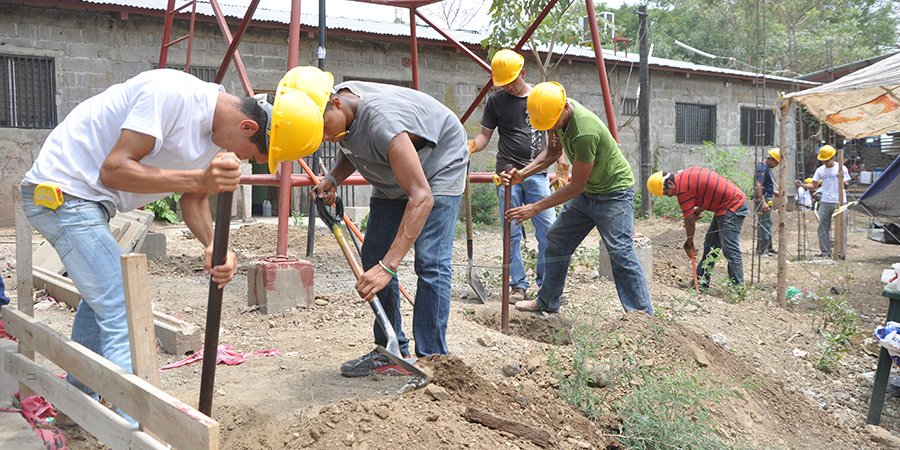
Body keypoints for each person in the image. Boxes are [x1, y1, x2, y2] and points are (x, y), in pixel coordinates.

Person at [20, 67, 323, 419]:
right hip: (63, 193)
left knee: (101, 300)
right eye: (250, 155)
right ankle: (136, 432)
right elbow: (114, 169)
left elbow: (193, 200)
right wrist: (200, 176)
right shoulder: (170, 95)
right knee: (123, 304)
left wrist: (214, 244)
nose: (241, 161)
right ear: (248, 127)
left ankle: (75, 406)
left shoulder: (219, 135)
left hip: (91, 203)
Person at [313, 81, 468, 377]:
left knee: (431, 261)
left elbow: (421, 197)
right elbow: (353, 146)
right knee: (373, 252)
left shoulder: (381, 122)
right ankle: (390, 349)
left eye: (322, 127)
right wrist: (333, 178)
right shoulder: (342, 113)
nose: (324, 136)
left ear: (335, 103)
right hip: (395, 170)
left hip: (439, 164)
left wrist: (390, 266)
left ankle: (433, 358)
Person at [500, 82, 652, 315]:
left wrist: (535, 207)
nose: (549, 127)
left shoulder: (584, 131)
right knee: (556, 239)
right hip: (590, 190)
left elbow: (576, 186)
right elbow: (552, 152)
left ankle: (642, 316)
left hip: (614, 192)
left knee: (620, 251)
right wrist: (523, 174)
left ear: (563, 109)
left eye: (551, 123)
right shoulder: (554, 113)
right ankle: (547, 301)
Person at [467, 49, 560, 303]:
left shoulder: (541, 97)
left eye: (511, 81)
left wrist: (562, 167)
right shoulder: (496, 101)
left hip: (537, 174)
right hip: (507, 176)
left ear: (523, 73)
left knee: (549, 231)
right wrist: (472, 146)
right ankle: (518, 285)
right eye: (502, 83)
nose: (507, 87)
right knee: (511, 232)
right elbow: (485, 135)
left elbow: (556, 136)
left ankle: (547, 286)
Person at [648, 167, 748, 290]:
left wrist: (689, 244)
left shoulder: (682, 190)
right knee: (711, 244)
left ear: (670, 183)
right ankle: (701, 281)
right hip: (725, 204)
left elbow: (689, 221)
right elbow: (708, 192)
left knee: (730, 248)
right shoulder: (685, 175)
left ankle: (738, 289)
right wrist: (698, 211)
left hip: (733, 205)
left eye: (666, 193)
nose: (669, 196)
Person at [796, 144, 850, 258]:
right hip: (825, 201)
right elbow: (813, 185)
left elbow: (846, 186)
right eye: (823, 161)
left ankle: (841, 252)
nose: (825, 163)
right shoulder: (820, 170)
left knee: (841, 227)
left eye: (827, 160)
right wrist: (802, 185)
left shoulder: (841, 168)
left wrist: (841, 179)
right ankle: (825, 252)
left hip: (840, 201)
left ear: (833, 157)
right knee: (823, 227)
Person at [755, 148, 780, 256]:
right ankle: (762, 250)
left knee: (768, 223)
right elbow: (758, 185)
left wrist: (773, 192)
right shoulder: (762, 168)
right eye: (776, 163)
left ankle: (769, 248)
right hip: (763, 199)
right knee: (764, 224)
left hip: (767, 197)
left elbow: (764, 184)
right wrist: (763, 202)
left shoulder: (765, 168)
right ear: (772, 159)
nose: (776, 165)